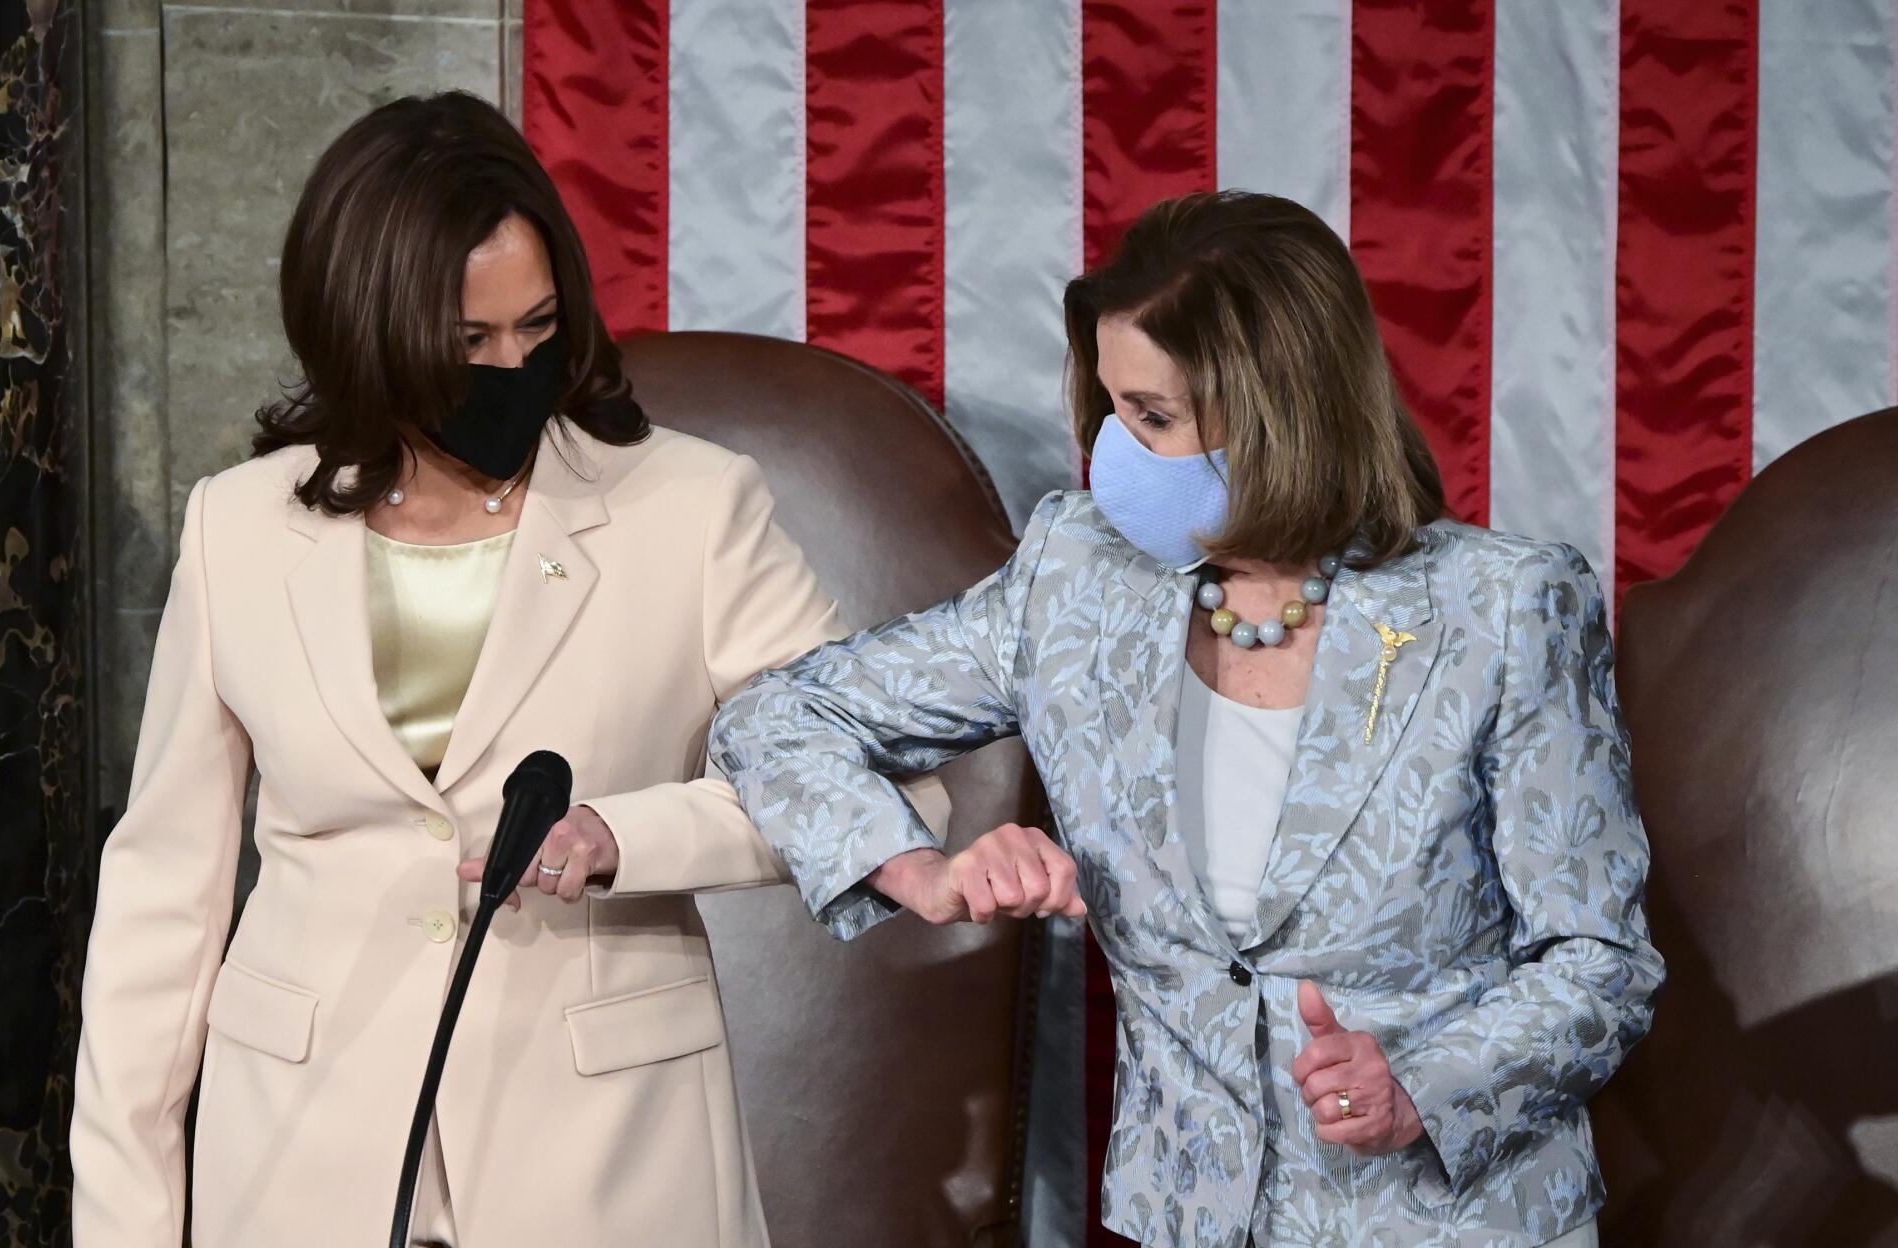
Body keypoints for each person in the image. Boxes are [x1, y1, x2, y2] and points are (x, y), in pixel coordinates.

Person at [709, 191, 1665, 1247]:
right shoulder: (1075, 580)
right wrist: (919, 869)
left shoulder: (1503, 606)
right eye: (1111, 407)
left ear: (1277, 412)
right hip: (1186, 1220)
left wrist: (1423, 1084)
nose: (1111, 449)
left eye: (1151, 418)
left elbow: (1599, 961)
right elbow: (778, 715)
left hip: (1451, 1220)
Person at [71, 91, 851, 1246]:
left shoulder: (691, 508)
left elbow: (876, 785)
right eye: (467, 344)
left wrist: (625, 835)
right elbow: (161, 905)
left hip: (603, 1165)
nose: (510, 369)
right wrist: (126, 1227)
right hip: (299, 1161)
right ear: (363, 332)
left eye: (536, 331)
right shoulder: (235, 528)